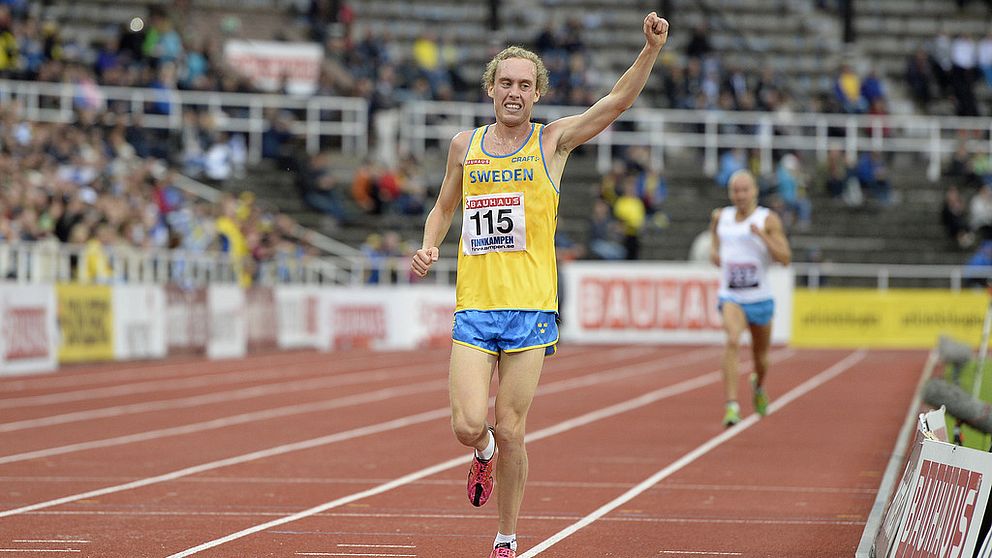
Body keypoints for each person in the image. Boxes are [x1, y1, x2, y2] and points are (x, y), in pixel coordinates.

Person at [410, 12, 669, 558]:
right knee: (468, 424)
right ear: (490, 88)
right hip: (476, 307)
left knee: (512, 429)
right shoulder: (466, 145)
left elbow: (615, 104)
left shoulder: (552, 142)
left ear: (537, 93)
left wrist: (648, 51)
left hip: (530, 310)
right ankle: (479, 455)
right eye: (505, 82)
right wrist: (431, 243)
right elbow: (441, 209)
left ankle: (506, 538)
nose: (514, 92)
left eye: (525, 84)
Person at [708, 170, 791, 427]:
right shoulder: (720, 217)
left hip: (760, 298)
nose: (740, 195)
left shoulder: (767, 219)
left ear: (754, 191)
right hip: (732, 295)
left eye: (745, 190)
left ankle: (759, 385)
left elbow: (785, 259)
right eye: (735, 190)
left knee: (761, 358)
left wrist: (762, 236)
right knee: (732, 340)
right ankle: (732, 405)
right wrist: (716, 257)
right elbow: (714, 246)